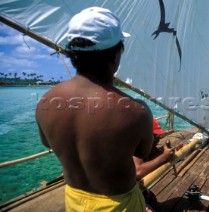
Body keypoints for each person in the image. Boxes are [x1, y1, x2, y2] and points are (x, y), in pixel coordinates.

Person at [36, 7, 153, 211]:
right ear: (116, 55)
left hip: (73, 200)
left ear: (72, 53)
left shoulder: (45, 102)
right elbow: (142, 153)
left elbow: (48, 142)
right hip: (120, 205)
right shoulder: (137, 112)